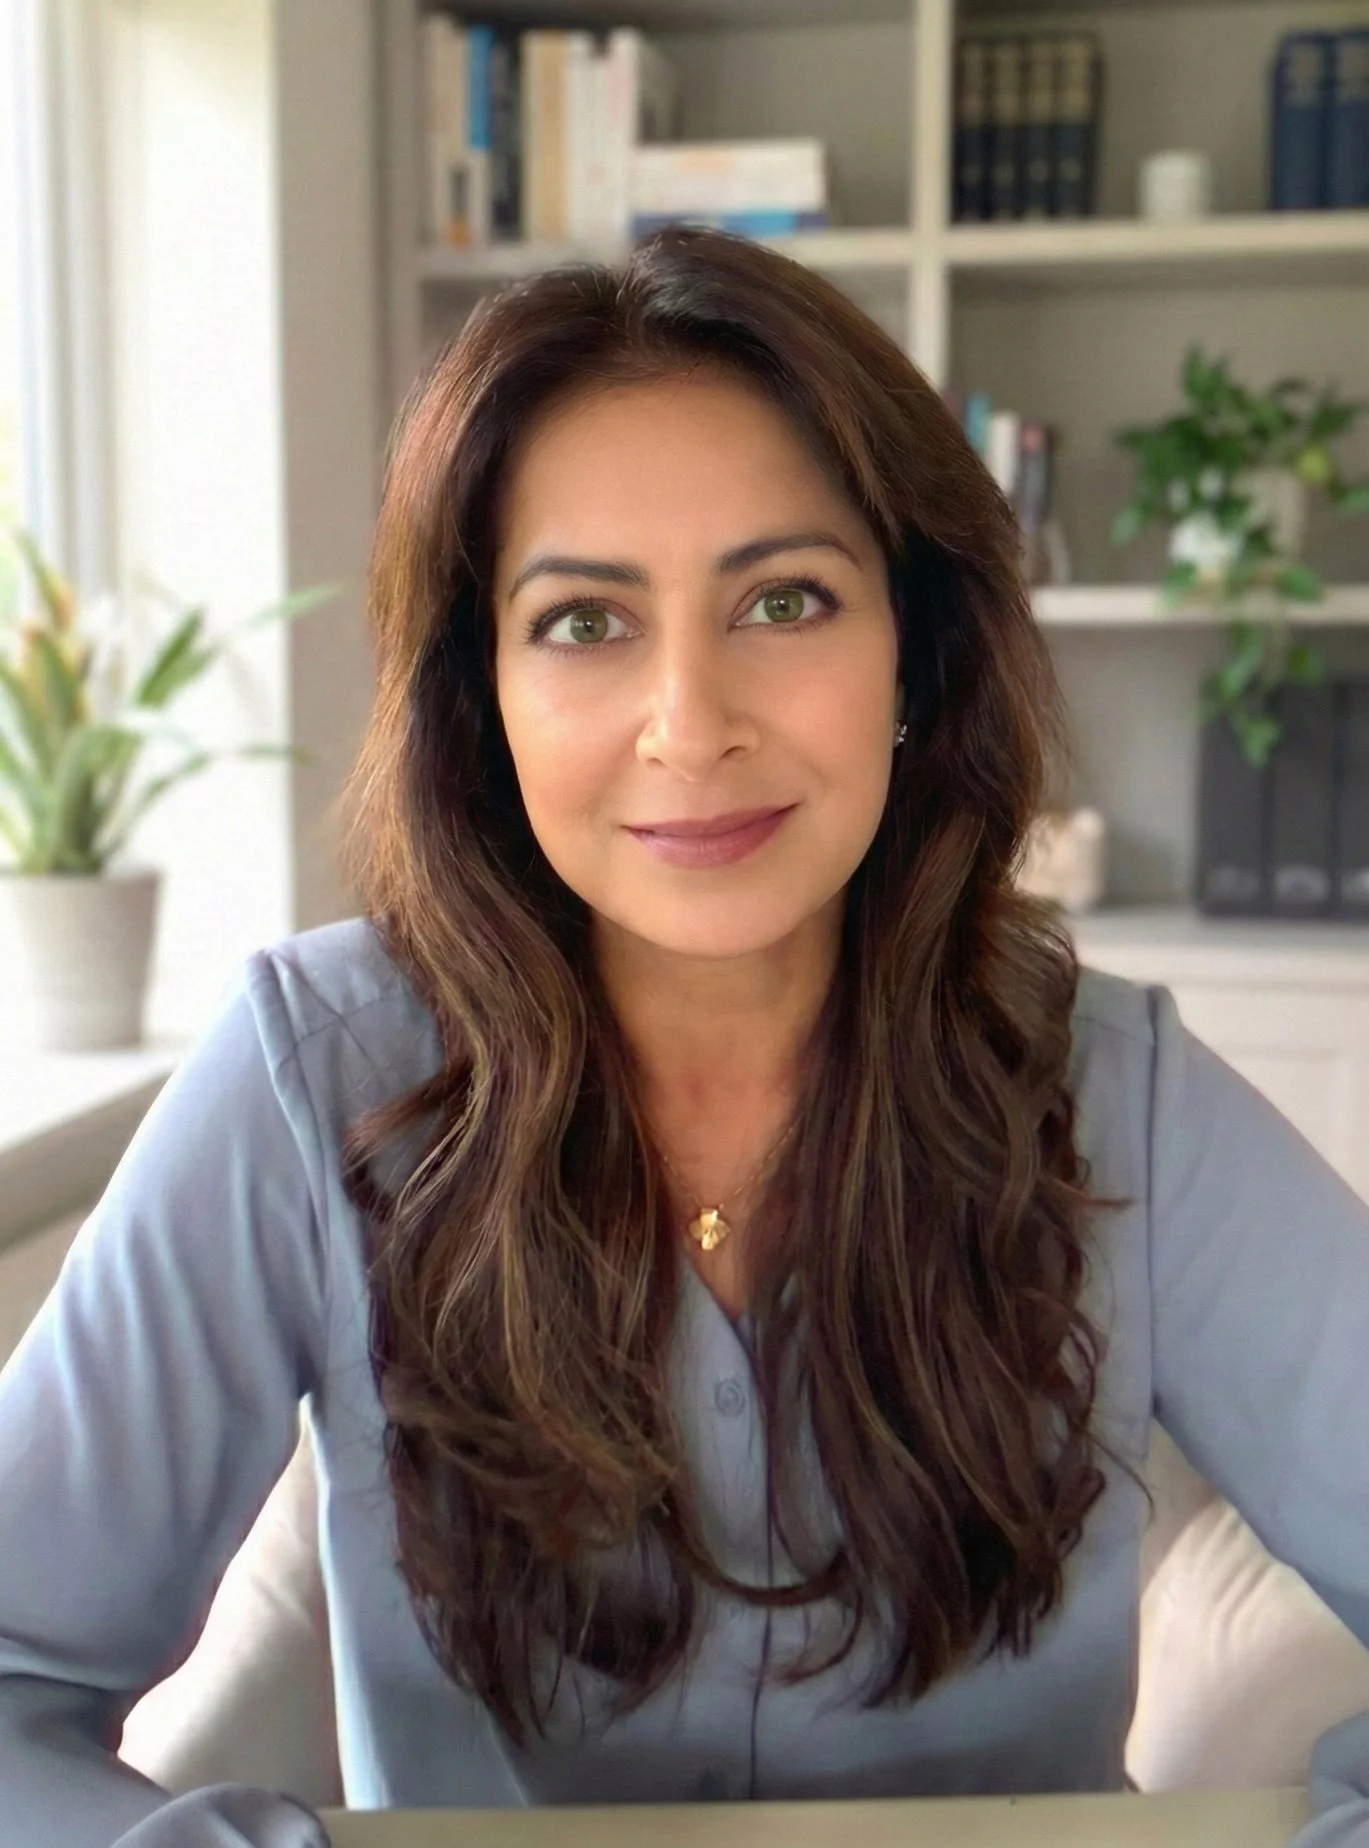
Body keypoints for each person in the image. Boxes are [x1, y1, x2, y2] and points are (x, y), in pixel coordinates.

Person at [1, 226, 1367, 1848]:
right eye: (586, 622)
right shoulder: (310, 1078)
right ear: (482, 697)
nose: (691, 725)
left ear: (916, 653)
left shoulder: (1118, 1095)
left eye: (785, 600)